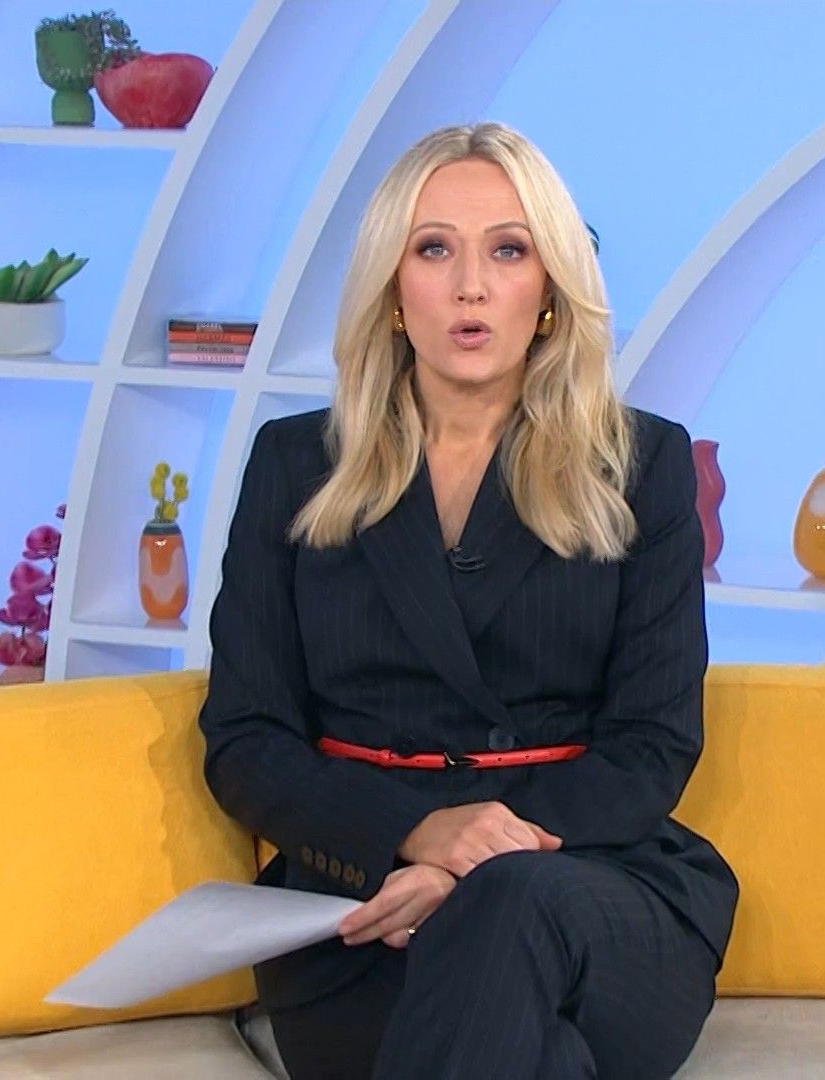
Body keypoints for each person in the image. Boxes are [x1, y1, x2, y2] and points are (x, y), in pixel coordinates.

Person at [197, 121, 737, 1079]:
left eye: (509, 251)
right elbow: (247, 739)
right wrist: (413, 836)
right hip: (365, 898)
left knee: (512, 906)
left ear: (552, 289)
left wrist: (476, 860)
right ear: (392, 288)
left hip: (588, 882)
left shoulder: (642, 465)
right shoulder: (295, 465)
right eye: (435, 249)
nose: (472, 287)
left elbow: (652, 746)